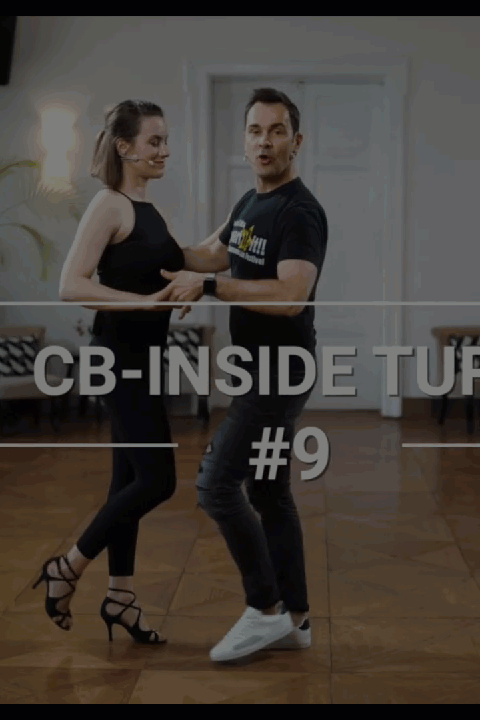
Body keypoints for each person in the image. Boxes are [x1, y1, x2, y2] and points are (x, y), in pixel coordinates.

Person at [160, 87, 328, 662]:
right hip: (257, 368)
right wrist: (144, 246)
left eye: (277, 131)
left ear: (296, 141)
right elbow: (209, 253)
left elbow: (291, 295)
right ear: (244, 140)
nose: (265, 141)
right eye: (255, 130)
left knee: (216, 485)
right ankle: (297, 619)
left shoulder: (299, 212)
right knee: (269, 490)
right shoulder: (249, 204)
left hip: (280, 373)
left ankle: (265, 609)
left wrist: (207, 286)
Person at [34, 99, 183, 645]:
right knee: (158, 480)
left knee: (128, 479)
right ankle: (67, 567)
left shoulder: (147, 208)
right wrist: (144, 304)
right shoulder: (109, 204)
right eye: (154, 141)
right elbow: (70, 284)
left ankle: (120, 597)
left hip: (143, 359)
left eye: (165, 140)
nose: (164, 151)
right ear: (125, 147)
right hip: (118, 358)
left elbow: (175, 262)